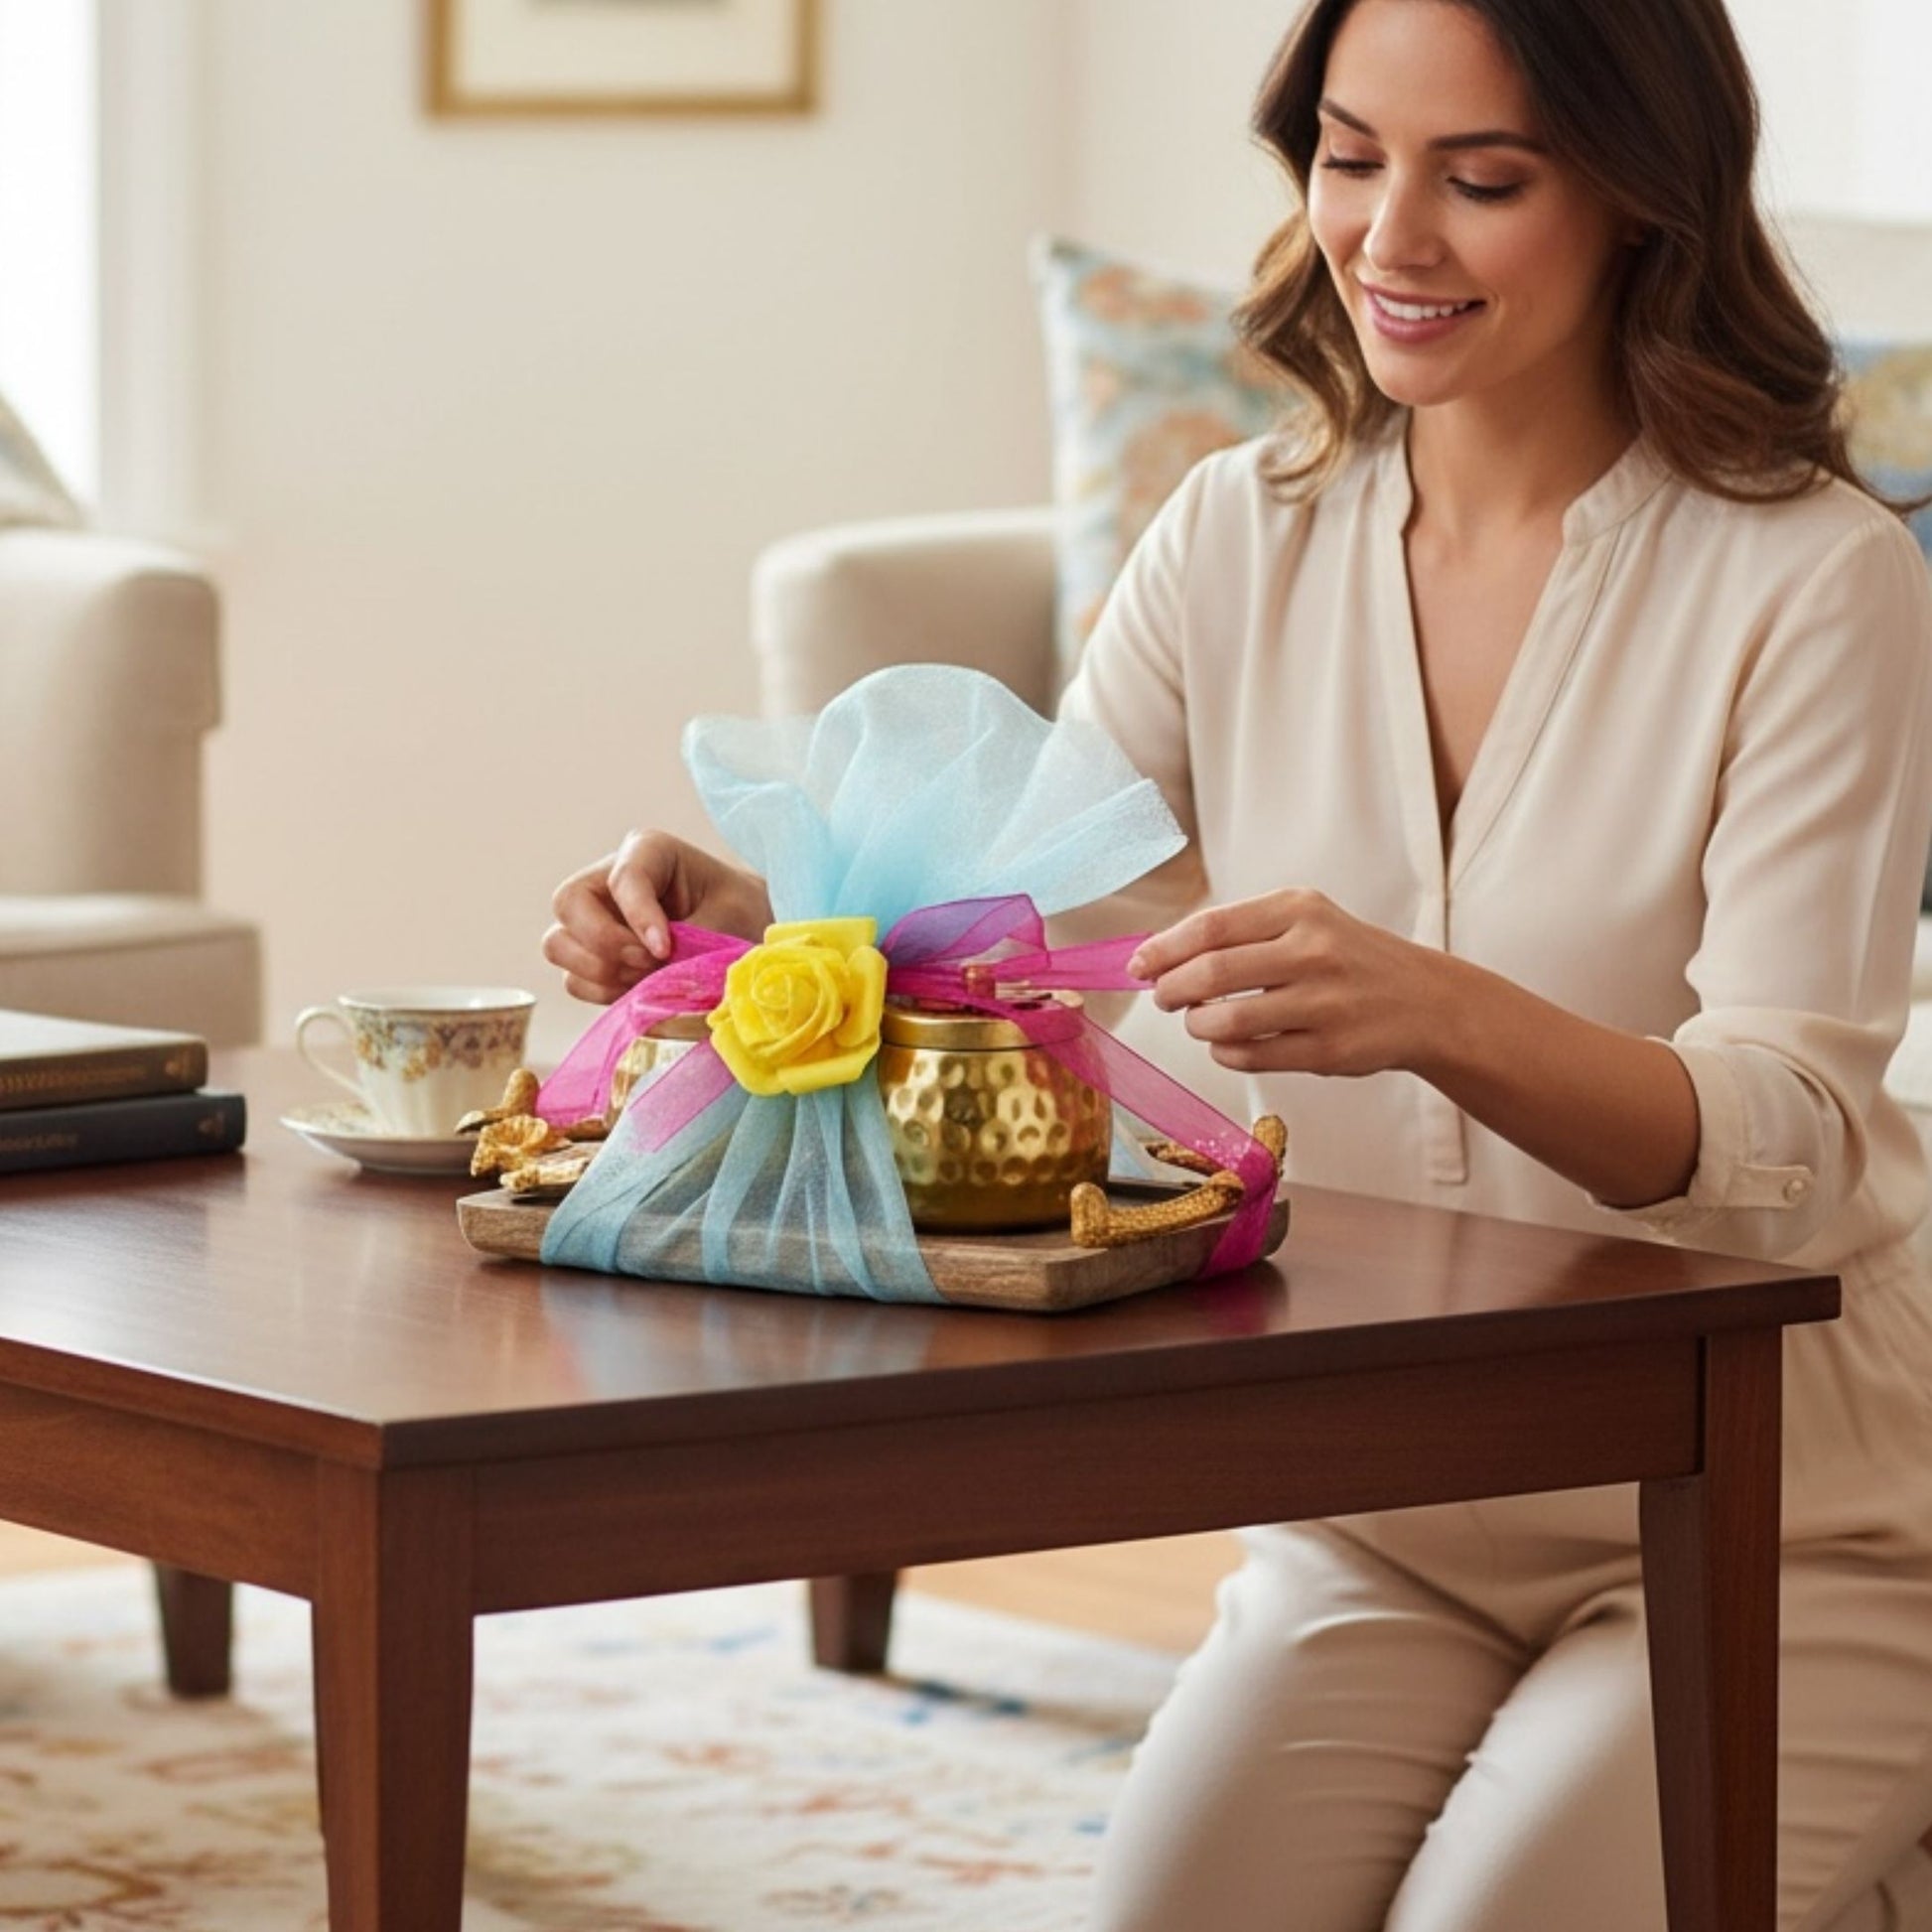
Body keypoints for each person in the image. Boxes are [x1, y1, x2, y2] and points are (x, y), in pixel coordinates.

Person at [545, 0, 1932, 1924]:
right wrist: (743, 919)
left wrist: (1439, 1014)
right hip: (1389, 1510)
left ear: (1638, 195)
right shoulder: (1239, 535)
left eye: (1484, 178)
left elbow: (1789, 1136)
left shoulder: (1815, 581)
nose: (1390, 237)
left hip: (1781, 1516)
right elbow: (1014, 920)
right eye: (1353, 156)